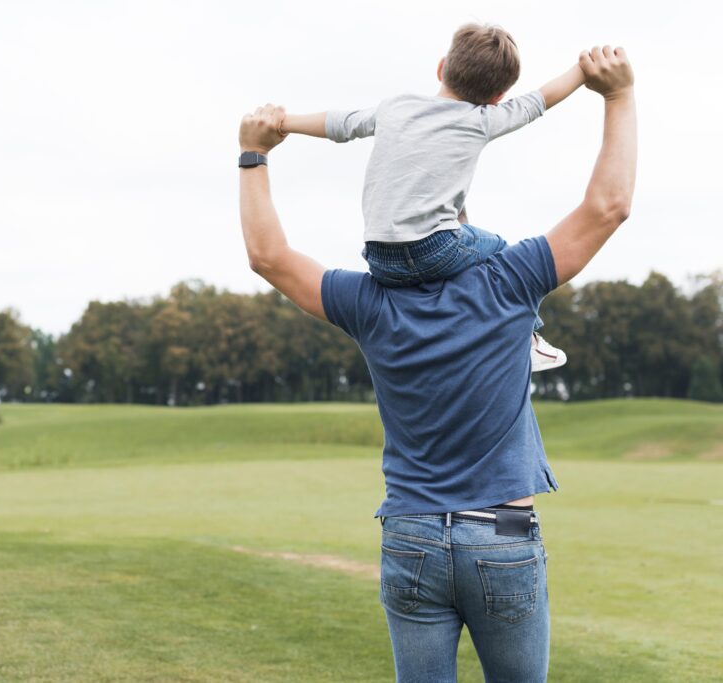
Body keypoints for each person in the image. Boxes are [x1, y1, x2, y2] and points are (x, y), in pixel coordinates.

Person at [237, 44, 635, 682]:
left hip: (411, 530)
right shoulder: (509, 280)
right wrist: (616, 95)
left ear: (441, 72)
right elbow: (608, 206)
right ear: (460, 225)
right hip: (504, 529)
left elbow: (269, 257)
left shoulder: (369, 302)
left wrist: (253, 154)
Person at [279, 23, 588, 372]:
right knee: (500, 249)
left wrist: (283, 123)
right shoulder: (482, 119)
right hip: (434, 250)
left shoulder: (395, 107)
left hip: (380, 258)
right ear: (498, 97)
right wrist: (582, 70)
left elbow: (340, 123)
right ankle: (528, 339)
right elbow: (539, 100)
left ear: (441, 67)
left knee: (462, 221)